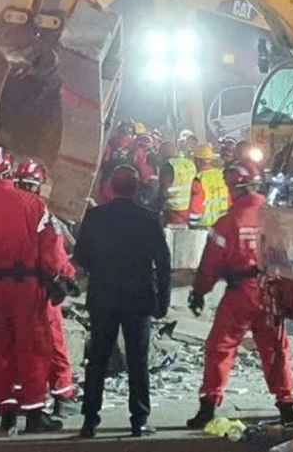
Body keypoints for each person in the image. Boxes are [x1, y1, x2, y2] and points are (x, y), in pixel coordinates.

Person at [184, 161, 293, 430]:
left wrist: (199, 292)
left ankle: (208, 407)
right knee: (276, 349)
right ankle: (287, 407)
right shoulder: (276, 217)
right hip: (272, 291)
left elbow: (210, 263)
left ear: (235, 188)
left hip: (240, 293)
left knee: (220, 347)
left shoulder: (228, 222)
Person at [0, 144, 65, 434]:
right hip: (27, 287)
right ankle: (34, 413)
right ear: (8, 170)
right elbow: (51, 249)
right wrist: (55, 278)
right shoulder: (33, 205)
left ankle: (7, 411)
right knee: (32, 349)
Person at [73, 164, 172, 439]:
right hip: (138, 299)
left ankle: (89, 421)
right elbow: (163, 263)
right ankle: (139, 420)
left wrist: (100, 267)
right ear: (136, 188)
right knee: (138, 361)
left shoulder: (95, 218)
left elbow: (81, 256)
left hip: (103, 297)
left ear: (112, 188)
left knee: (98, 361)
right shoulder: (149, 219)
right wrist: (162, 301)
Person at [13, 158, 81, 417]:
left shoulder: (8, 213)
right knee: (53, 342)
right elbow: (54, 253)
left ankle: (22, 395)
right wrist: (67, 277)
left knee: (18, 343)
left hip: (10, 287)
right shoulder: (42, 214)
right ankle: (63, 395)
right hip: (41, 287)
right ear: (39, 186)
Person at [189, 143, 230, 228]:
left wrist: (192, 224)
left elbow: (196, 207)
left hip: (204, 226)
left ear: (198, 160)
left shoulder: (199, 179)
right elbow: (229, 200)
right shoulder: (220, 175)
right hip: (222, 225)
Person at [157, 140, 197, 225]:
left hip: (172, 211)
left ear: (162, 153)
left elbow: (164, 192)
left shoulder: (167, 166)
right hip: (189, 209)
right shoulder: (189, 163)